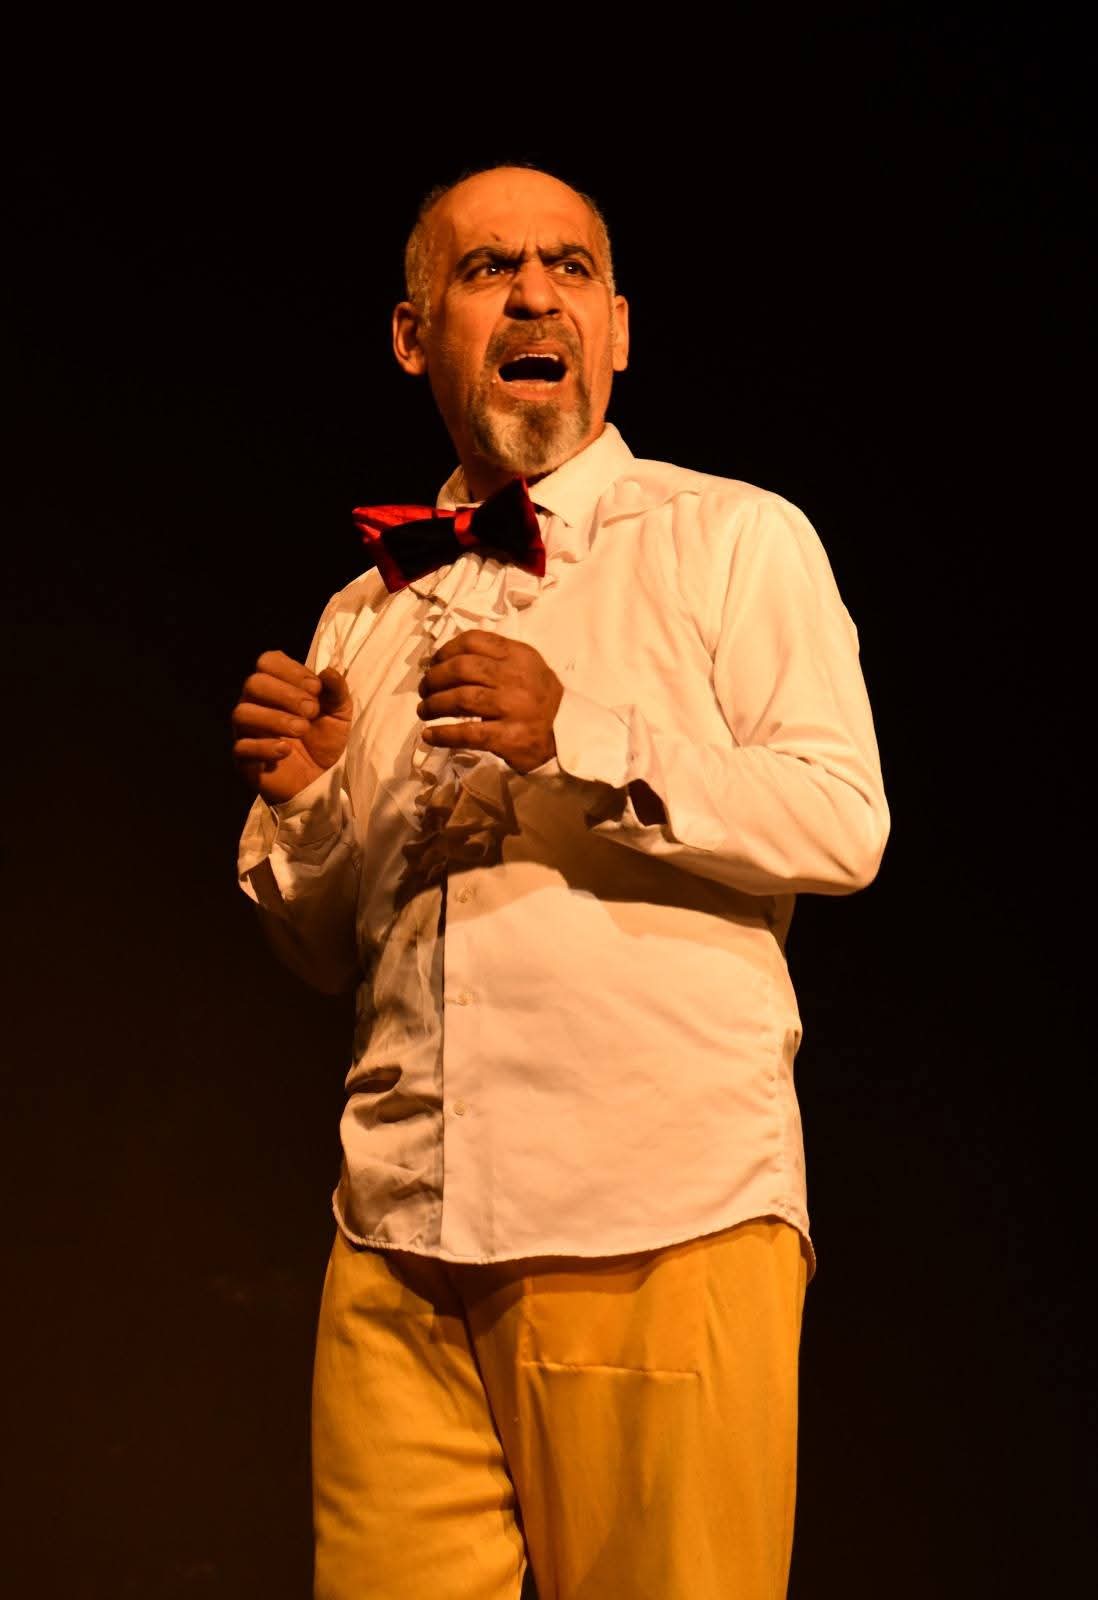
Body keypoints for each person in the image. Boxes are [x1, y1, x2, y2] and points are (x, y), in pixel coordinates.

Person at [233, 164, 889, 1600]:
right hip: (398, 1239)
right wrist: (310, 808)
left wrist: (576, 736)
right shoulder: (365, 610)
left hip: (655, 1217)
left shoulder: (732, 537)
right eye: (488, 271)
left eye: (570, 268)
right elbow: (331, 952)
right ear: (413, 336)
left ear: (619, 328)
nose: (536, 296)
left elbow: (844, 821)